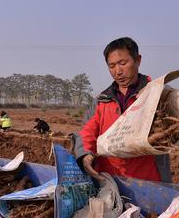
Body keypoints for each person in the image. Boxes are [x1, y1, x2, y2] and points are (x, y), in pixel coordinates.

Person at [73, 37, 171, 182]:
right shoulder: (102, 100)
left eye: (123, 63)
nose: (118, 71)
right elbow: (87, 131)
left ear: (138, 60)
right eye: (111, 66)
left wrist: (161, 96)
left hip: (149, 182)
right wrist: (85, 154)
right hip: (109, 179)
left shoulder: (157, 93)